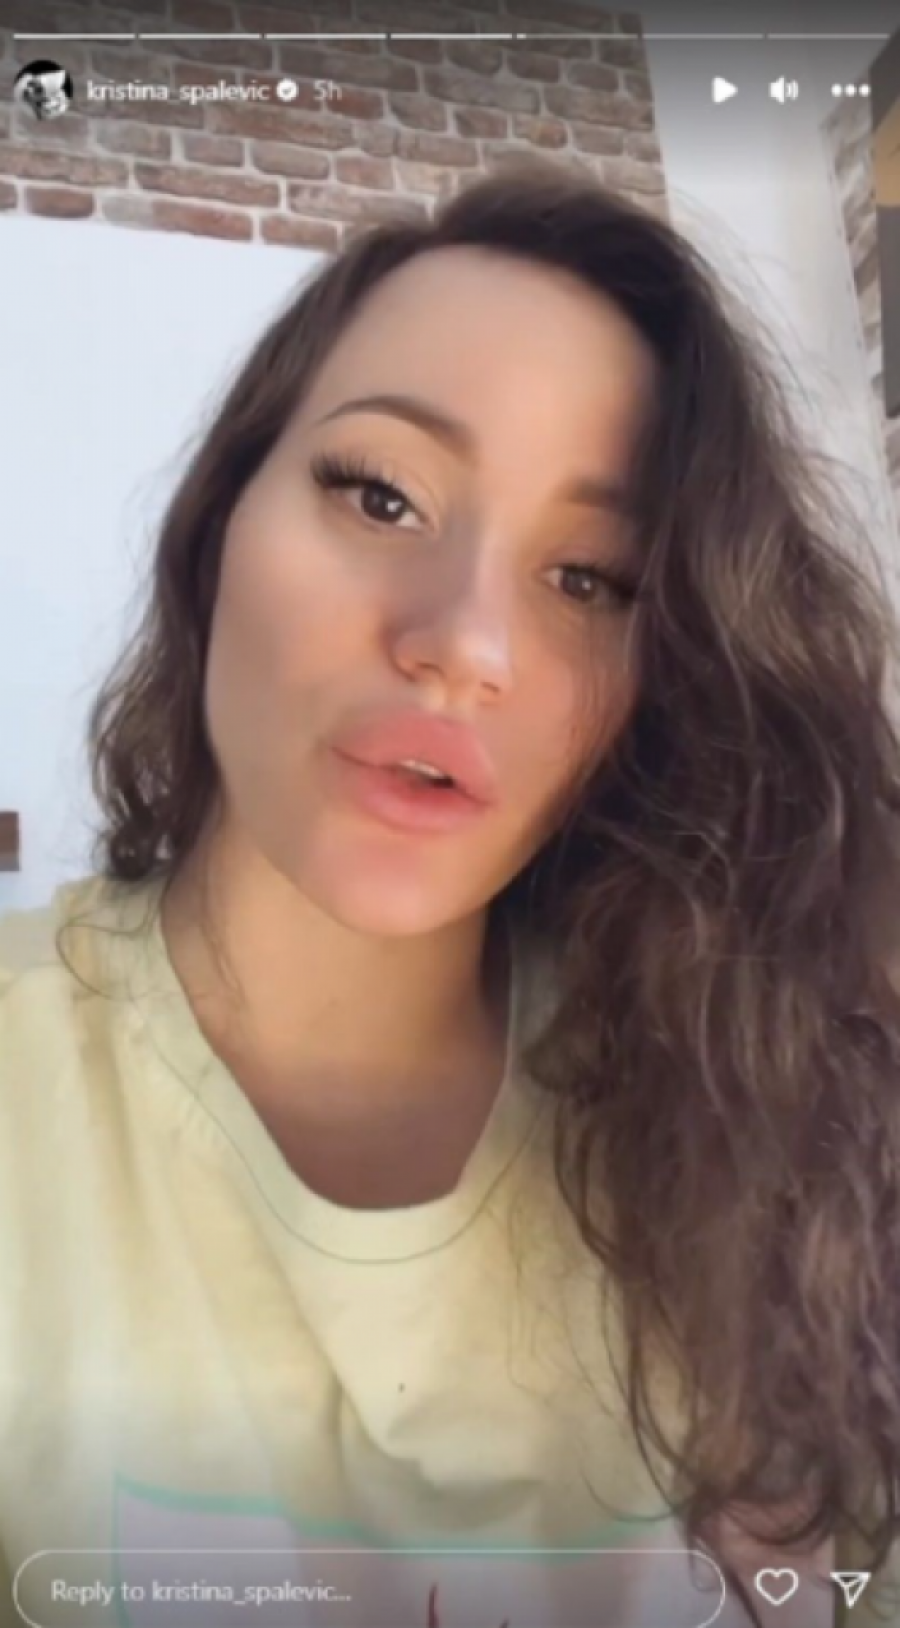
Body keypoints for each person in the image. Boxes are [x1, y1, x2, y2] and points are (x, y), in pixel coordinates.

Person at [2, 155, 900, 1628]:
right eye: (383, 495)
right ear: (221, 523)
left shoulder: (771, 1109)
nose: (467, 645)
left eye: (591, 578)